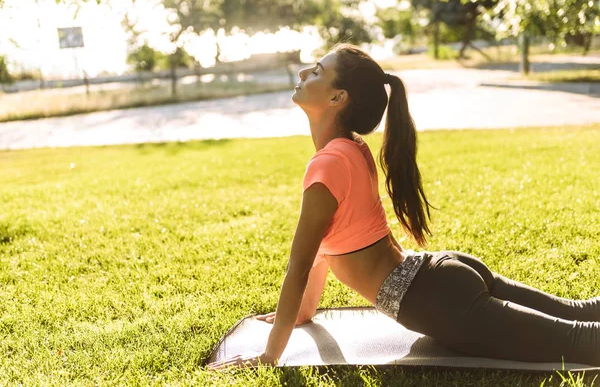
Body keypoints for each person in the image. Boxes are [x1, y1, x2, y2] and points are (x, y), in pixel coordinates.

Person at [206, 44, 600, 370]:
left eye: (317, 71)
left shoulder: (327, 165)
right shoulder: (352, 150)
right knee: (581, 313)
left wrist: (269, 355)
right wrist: (304, 313)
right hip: (441, 274)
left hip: (436, 299)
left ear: (337, 97)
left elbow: (298, 266)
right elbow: (328, 248)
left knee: (580, 341)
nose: (304, 72)